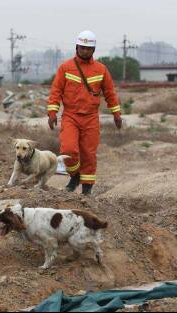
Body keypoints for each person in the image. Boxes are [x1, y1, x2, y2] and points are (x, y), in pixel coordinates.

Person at [48, 30, 123, 195]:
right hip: (70, 116)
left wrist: (116, 114)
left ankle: (87, 189)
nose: (85, 51)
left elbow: (110, 93)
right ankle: (75, 176)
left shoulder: (101, 69)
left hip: (90, 118)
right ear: (77, 47)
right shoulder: (65, 68)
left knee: (89, 154)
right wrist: (52, 111)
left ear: (93, 50)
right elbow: (56, 91)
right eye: (82, 48)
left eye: (88, 49)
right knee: (68, 149)